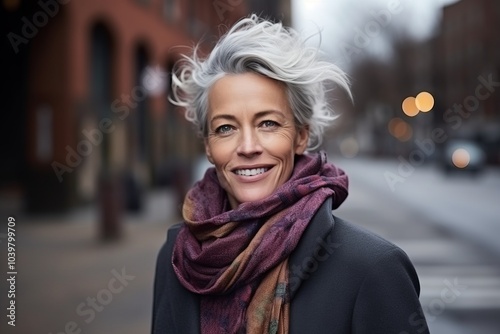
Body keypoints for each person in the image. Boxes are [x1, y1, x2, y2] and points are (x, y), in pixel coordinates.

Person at [152, 14, 429, 334]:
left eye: (267, 123)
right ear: (209, 146)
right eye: (226, 128)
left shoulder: (372, 270)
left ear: (300, 136)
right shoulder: (176, 260)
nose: (248, 146)